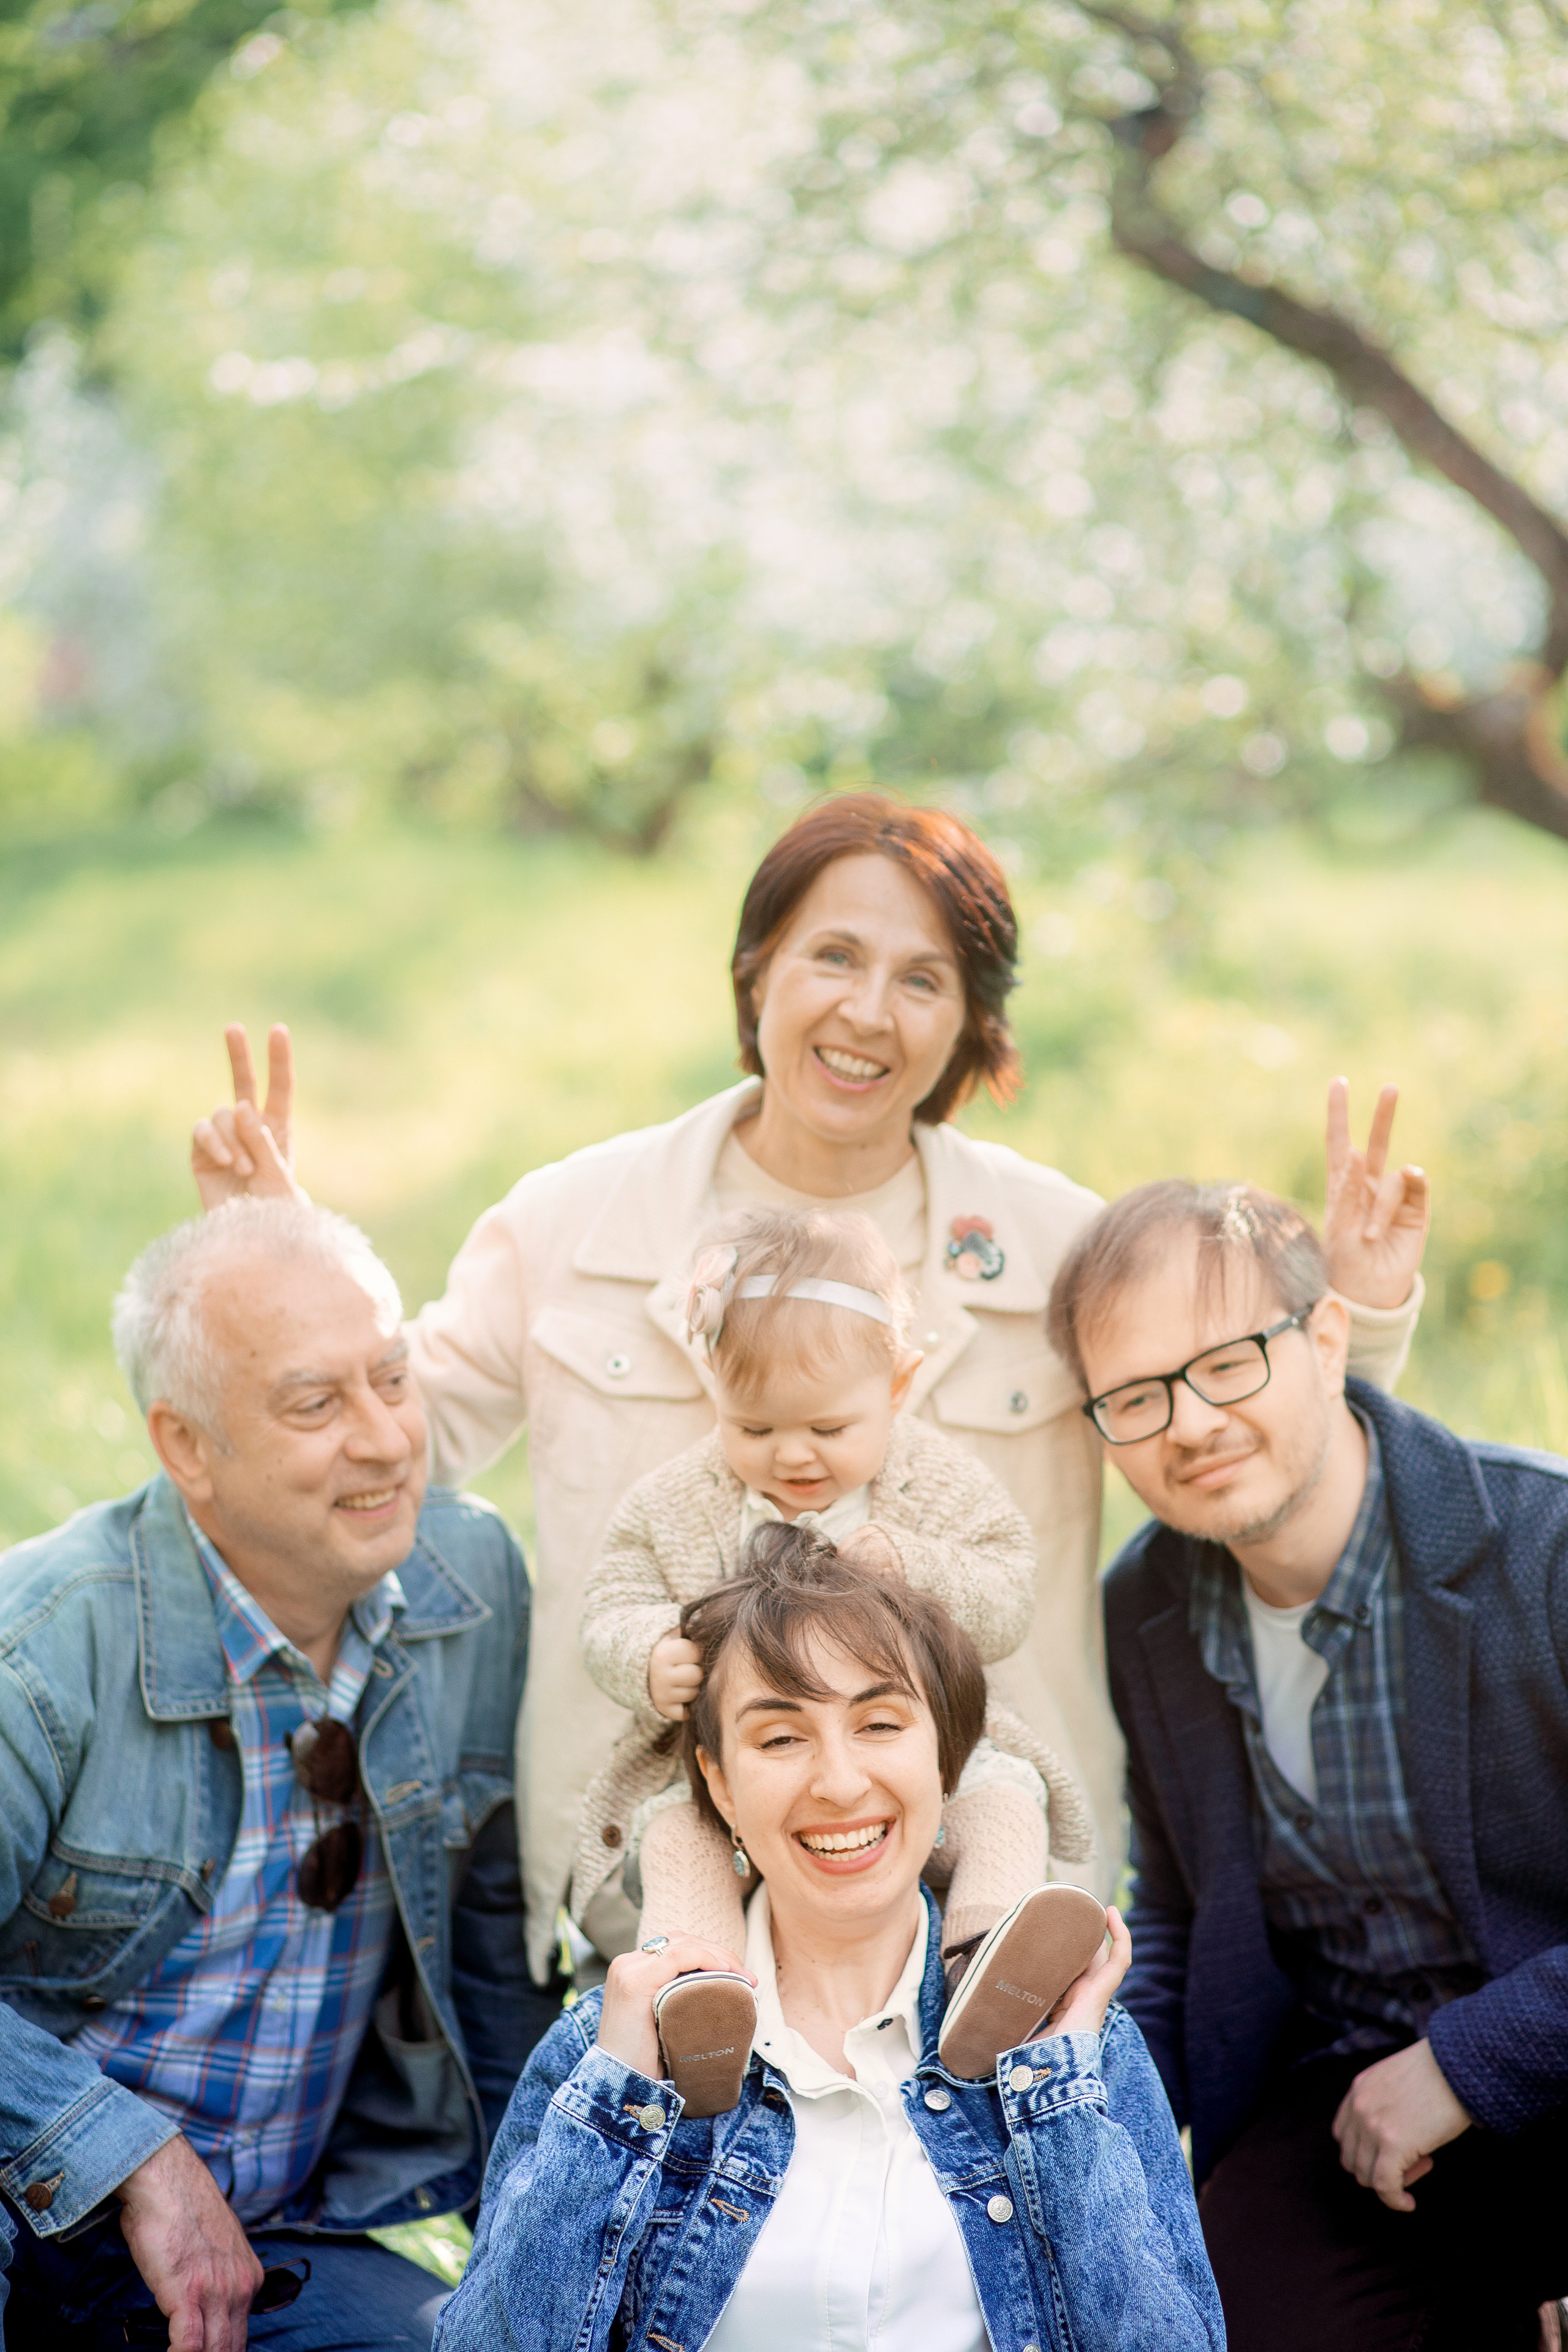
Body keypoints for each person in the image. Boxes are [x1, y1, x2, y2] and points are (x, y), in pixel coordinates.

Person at [189, 791, 1430, 1972]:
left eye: (922, 979)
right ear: (757, 973)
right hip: (666, 1874)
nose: (868, 1013)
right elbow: (407, 1439)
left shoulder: (1054, 1245)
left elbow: (1228, 1447)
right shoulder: (573, 1223)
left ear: (968, 1024)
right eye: (831, 957)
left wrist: (1357, 1322)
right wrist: (277, 1287)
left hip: (974, 1877)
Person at [434, 1529, 1223, 2352]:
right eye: (781, 1738)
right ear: (719, 1784)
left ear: (946, 1760)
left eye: (880, 1724)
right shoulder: (608, 2056)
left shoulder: (1074, 2048)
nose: (840, 1783)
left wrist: (1058, 2097)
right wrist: (617, 2101)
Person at [0, 1199, 554, 2352]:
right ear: (186, 1447)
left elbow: (493, 1949)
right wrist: (129, 2153)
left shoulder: (472, 1584)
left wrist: (547, 2251)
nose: (387, 1439)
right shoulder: (45, 1649)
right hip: (23, 2212)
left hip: (277, 2245)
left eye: (392, 1380)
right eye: (316, 1404)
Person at [1044, 1177, 1568, 2352]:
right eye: (1133, 1397)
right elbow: (1185, 1909)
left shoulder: (1543, 1549)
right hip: (1339, 2101)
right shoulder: (1147, 1608)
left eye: (1227, 1362)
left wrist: (1467, 2064)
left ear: (1328, 1339)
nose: (1188, 1423)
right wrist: (1074, 2105)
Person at [575, 1204, 1106, 2102]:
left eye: (827, 1429)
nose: (791, 1457)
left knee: (1006, 1793)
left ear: (898, 1385)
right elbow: (609, 1606)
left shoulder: (932, 1481)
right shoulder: (673, 1501)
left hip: (932, 1749)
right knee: (678, 1835)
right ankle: (696, 1993)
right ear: (713, 1389)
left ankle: (993, 1950)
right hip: (726, 1771)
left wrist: (917, 1565)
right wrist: (651, 1650)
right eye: (754, 1429)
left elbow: (1011, 1585)